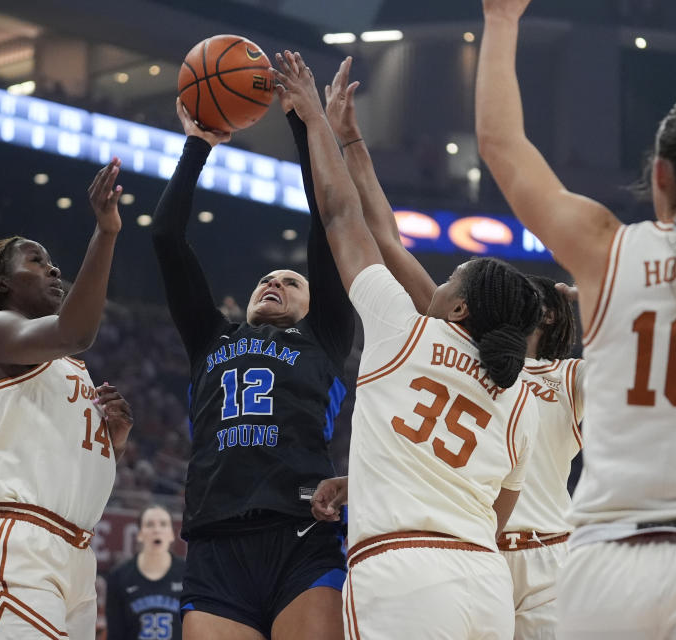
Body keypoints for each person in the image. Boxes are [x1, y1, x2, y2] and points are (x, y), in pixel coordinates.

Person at [475, 1, 676, 637]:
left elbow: (501, 146)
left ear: (660, 176)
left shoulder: (605, 247)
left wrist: (501, 20)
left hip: (606, 565)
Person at [274, 51, 542, 640]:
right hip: (485, 583)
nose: (435, 281)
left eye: (448, 280)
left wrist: (315, 118)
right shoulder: (518, 393)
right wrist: (350, 140)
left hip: (403, 573)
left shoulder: (403, 329)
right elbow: (494, 514)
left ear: (460, 308)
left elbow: (345, 216)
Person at [320, 59, 587, 638]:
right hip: (480, 558)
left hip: (511, 563)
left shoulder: (559, 378)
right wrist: (350, 139)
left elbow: (362, 228)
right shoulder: (487, 368)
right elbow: (386, 236)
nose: (439, 287)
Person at [150, 91, 355, 638]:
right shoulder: (210, 337)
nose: (275, 282)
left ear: (315, 307)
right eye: (268, 279)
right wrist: (197, 146)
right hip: (217, 540)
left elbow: (324, 221)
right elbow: (166, 237)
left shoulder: (325, 336)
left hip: (303, 533)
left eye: (293, 283)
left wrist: (299, 123)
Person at [0, 158, 135, 639]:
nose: (53, 268)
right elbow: (77, 329)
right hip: (24, 543)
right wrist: (106, 232)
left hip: (76, 557)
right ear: (4, 283)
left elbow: (69, 463)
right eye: (37, 261)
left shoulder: (64, 365)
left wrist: (117, 440)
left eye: (50, 261)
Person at [500, 276, 584, 640]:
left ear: (548, 314)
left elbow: (632, 364)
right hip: (477, 548)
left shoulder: (570, 375)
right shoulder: (468, 362)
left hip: (547, 555)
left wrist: (605, 301)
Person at [106, 505, 185, 640]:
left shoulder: (187, 574)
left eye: (163, 524)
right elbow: (115, 633)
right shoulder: (118, 576)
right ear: (140, 534)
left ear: (172, 534)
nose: (157, 530)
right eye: (149, 524)